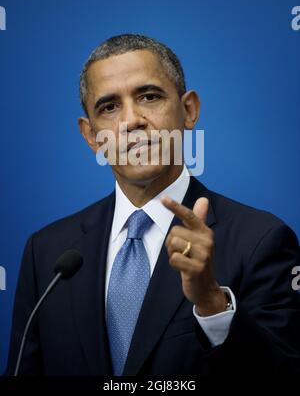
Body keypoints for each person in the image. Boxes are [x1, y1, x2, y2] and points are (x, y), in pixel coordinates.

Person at [5, 34, 300, 376]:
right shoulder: (46, 253)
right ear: (90, 135)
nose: (131, 121)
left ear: (189, 110)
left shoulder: (262, 241)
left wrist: (212, 305)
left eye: (149, 96)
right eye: (109, 107)